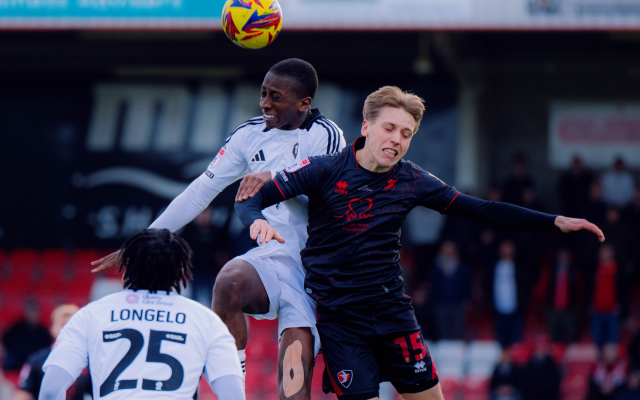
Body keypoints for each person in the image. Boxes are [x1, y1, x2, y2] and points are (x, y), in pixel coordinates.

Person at [235, 86, 605, 399]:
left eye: (406, 133)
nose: (396, 139)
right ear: (367, 127)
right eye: (390, 128)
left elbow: (484, 210)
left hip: (393, 315)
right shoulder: (323, 169)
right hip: (340, 320)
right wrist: (257, 222)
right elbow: (252, 198)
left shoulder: (413, 180)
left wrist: (553, 220)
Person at [90, 58, 346, 400]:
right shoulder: (248, 134)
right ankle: (232, 395)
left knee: (294, 390)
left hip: (315, 267)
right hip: (271, 256)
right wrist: (144, 239)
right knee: (230, 280)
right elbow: (199, 192)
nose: (265, 103)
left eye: (276, 97)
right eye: (263, 93)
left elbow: (327, 196)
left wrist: (277, 178)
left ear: (304, 103)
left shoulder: (326, 135)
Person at [39, 229, 244, 400]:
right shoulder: (206, 320)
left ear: (127, 268)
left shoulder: (91, 314)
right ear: (181, 270)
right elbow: (233, 394)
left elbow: (50, 390)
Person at [14, 304, 79, 400]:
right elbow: (23, 394)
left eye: (70, 325)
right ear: (52, 328)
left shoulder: (89, 361)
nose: (66, 329)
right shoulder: (36, 360)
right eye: (62, 324)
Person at [428, 241, 472, 340]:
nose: (448, 252)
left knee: (457, 333)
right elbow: (432, 287)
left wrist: (466, 301)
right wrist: (435, 304)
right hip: (441, 306)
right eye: (445, 250)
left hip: (458, 306)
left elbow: (467, 286)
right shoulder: (436, 269)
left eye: (450, 250)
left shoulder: (462, 268)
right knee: (442, 333)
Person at [2, 302, 52, 371]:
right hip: (17, 361)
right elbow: (6, 341)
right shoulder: (16, 328)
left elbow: (46, 348)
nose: (32, 316)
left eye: (34, 313)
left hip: (35, 362)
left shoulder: (43, 331)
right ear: (26, 313)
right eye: (30, 312)